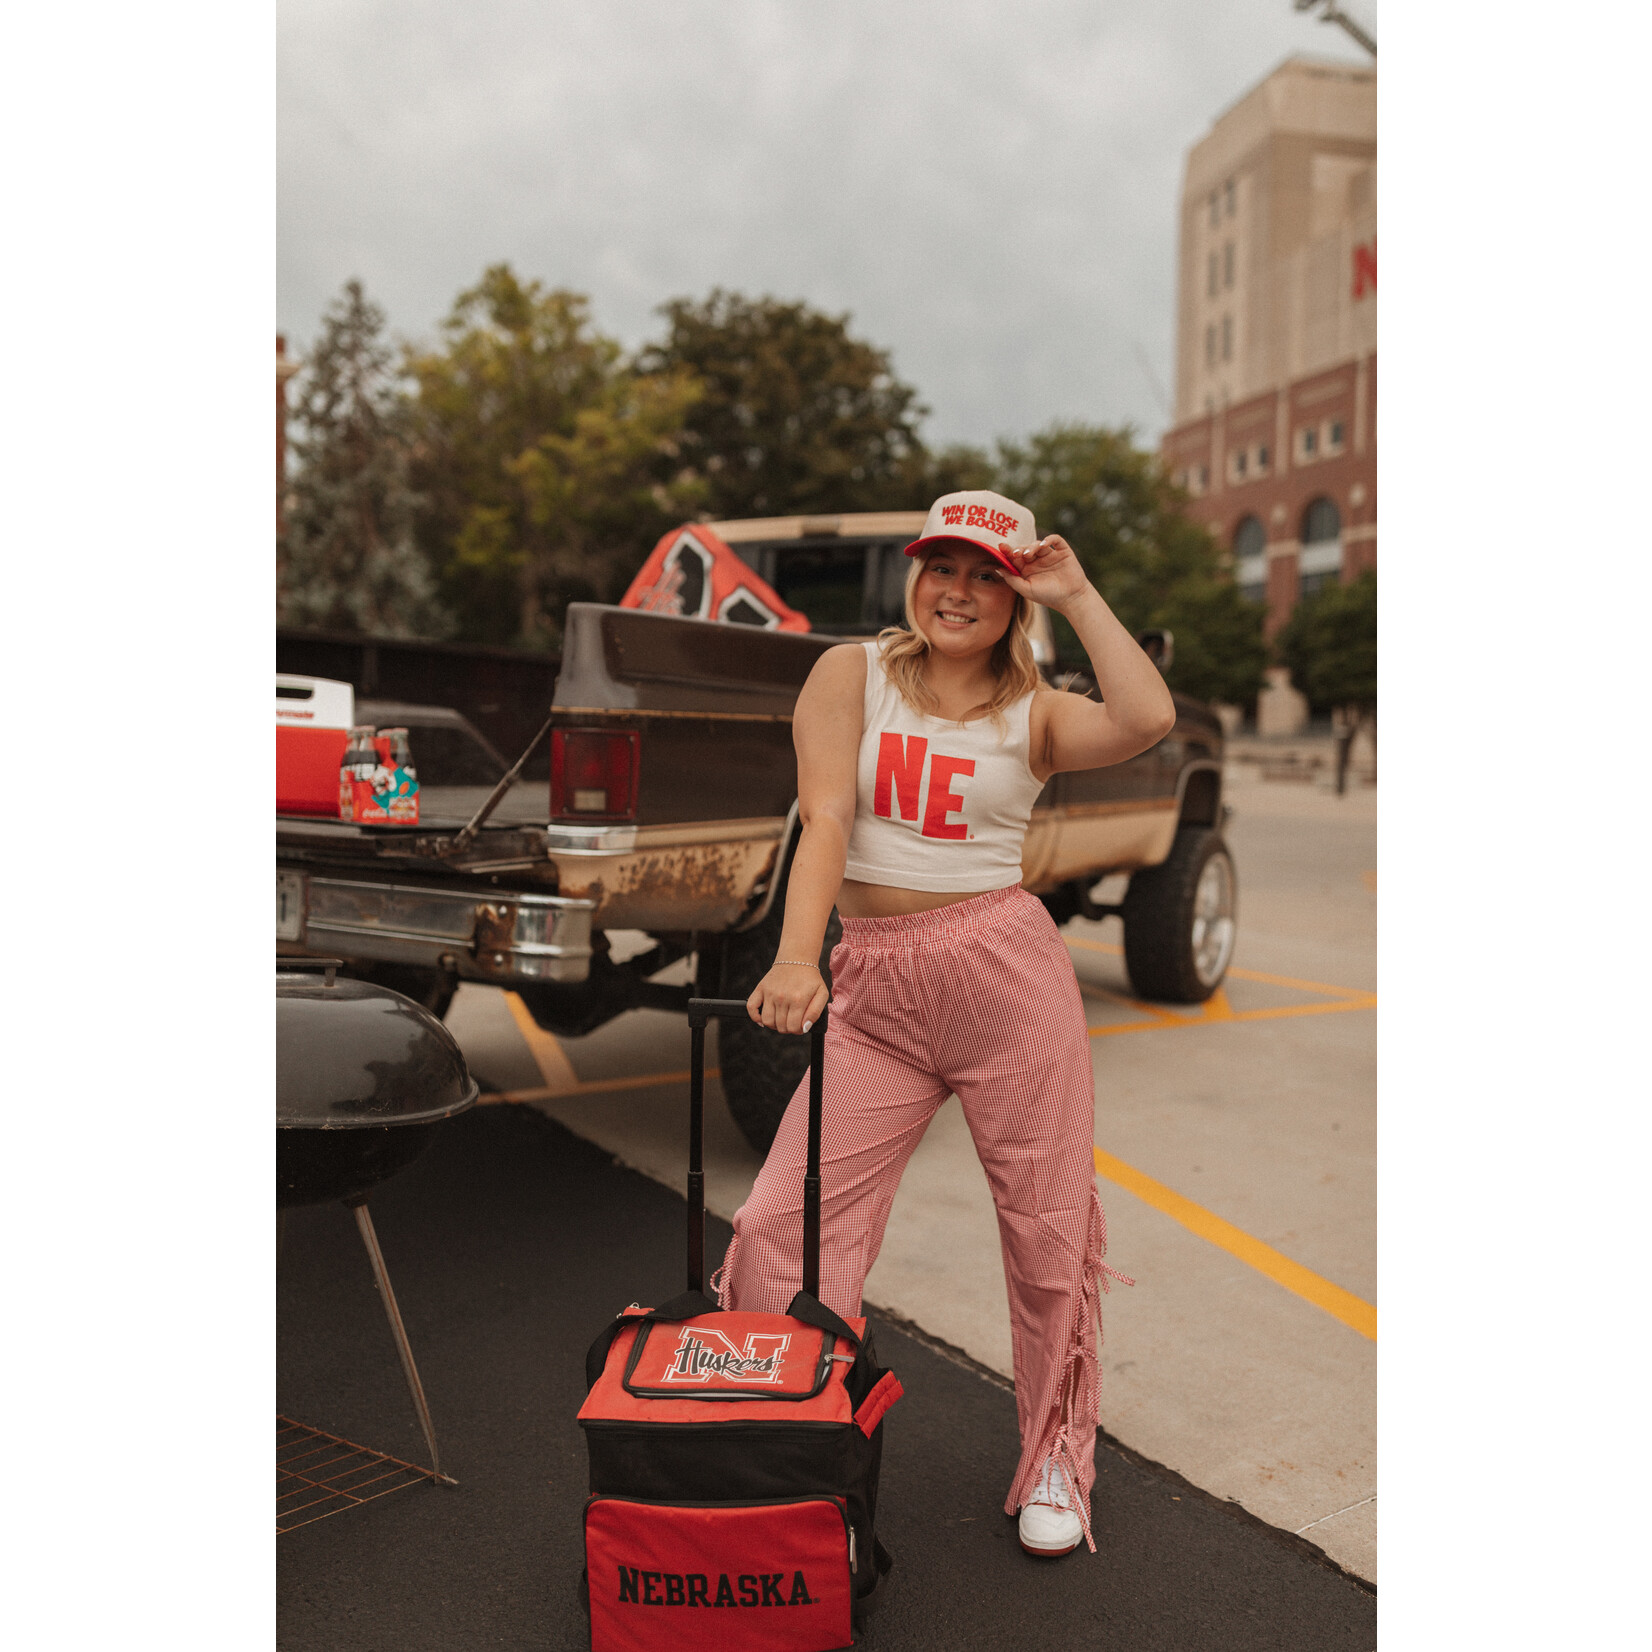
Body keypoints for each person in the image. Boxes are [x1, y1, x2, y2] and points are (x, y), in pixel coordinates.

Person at [713, 489, 1177, 1559]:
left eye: (985, 576)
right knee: (784, 1220)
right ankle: (784, 1434)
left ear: (1015, 598)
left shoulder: (1038, 711)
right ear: (913, 575)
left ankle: (1056, 1456)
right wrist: (797, 955)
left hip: (1004, 978)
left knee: (1047, 1233)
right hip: (875, 987)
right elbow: (826, 816)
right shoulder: (851, 673)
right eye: (941, 567)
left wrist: (1076, 592)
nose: (957, 591)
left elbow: (1147, 718)